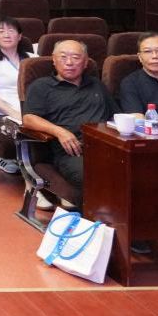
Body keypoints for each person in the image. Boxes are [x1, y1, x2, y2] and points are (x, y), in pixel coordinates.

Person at [22, 40, 116, 210]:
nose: (69, 62)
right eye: (63, 57)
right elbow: (29, 118)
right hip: (72, 152)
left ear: (85, 62)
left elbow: (115, 116)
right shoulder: (42, 86)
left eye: (76, 57)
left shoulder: (96, 85)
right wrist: (59, 131)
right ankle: (105, 219)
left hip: (107, 148)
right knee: (97, 177)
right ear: (54, 59)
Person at [0, 17, 36, 175]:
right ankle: (32, 177)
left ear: (20, 36)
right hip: (1, 115)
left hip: (31, 112)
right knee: (29, 132)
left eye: (11, 30)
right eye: (1, 31)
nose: (6, 34)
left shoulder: (32, 58)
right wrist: (16, 114)